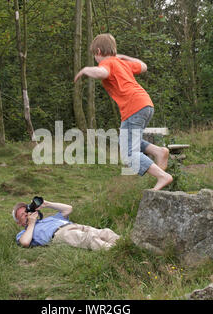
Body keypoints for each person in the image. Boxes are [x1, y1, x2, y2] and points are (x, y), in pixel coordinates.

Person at [74, 33, 173, 191]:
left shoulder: (107, 63)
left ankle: (163, 176)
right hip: (145, 104)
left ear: (98, 51)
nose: (96, 61)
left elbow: (103, 73)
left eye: (95, 56)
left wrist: (86, 70)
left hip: (133, 107)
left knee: (129, 154)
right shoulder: (121, 62)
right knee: (127, 141)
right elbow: (143, 66)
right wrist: (123, 56)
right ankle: (158, 151)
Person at [12, 199, 120, 250]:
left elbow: (68, 209)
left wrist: (47, 204)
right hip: (59, 234)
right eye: (22, 215)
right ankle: (116, 252)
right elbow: (25, 243)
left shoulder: (50, 218)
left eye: (26, 211)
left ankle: (127, 246)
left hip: (73, 225)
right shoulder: (24, 233)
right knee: (88, 238)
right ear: (19, 223)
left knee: (106, 232)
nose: (26, 214)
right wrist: (31, 224)